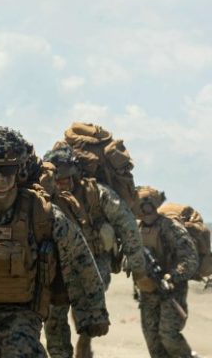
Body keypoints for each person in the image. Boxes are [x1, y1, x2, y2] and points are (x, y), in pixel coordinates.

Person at [0, 127, 109, 358]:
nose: (0, 177)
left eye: (7, 170)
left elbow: (80, 259)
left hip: (22, 315)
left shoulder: (42, 215)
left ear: (19, 170)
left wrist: (93, 313)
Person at [42, 143, 146, 358]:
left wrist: (137, 265)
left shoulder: (96, 194)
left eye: (66, 179)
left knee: (89, 310)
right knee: (54, 317)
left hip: (95, 262)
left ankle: (85, 340)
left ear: (75, 174)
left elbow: (127, 225)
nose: (62, 184)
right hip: (58, 265)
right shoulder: (45, 197)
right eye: (57, 180)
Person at [134, 186, 199, 358]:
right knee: (152, 340)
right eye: (142, 207)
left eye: (149, 206)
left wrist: (172, 276)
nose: (146, 211)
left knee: (168, 335)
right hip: (147, 292)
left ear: (155, 205)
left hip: (171, 290)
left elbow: (190, 259)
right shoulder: (136, 230)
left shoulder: (171, 227)